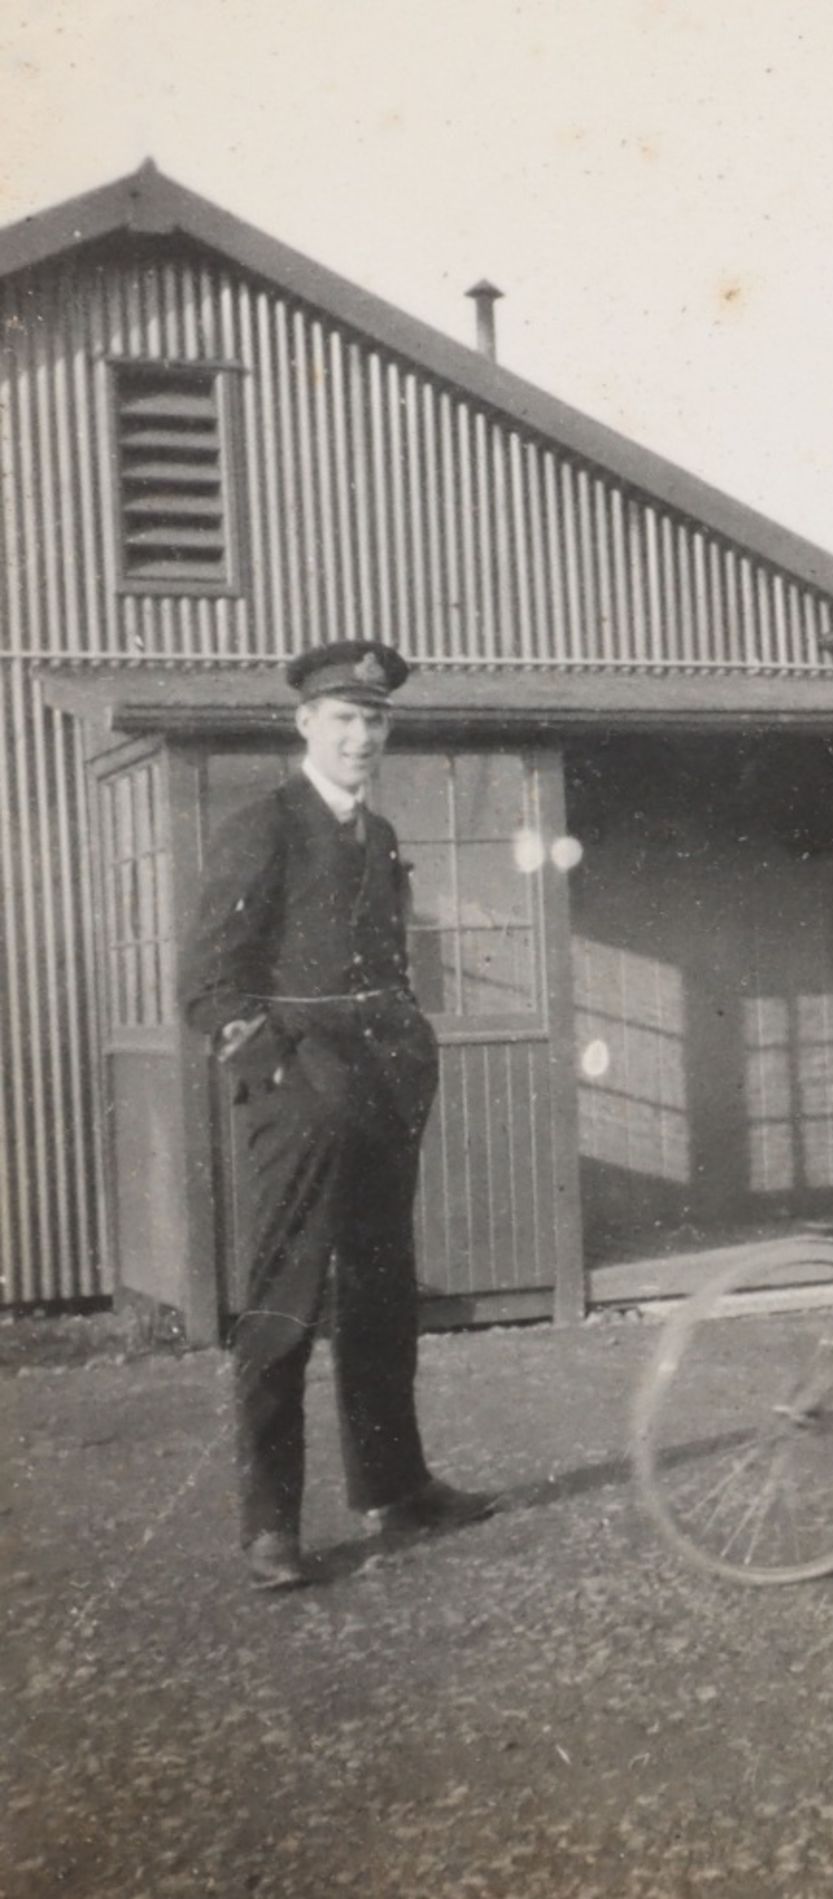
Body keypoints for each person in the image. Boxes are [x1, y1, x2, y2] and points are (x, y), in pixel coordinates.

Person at [181, 640, 495, 1590]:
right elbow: (208, 985)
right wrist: (281, 1077)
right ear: (305, 724)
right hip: (301, 1093)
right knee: (280, 1306)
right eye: (344, 719)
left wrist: (408, 1057)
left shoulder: (382, 834)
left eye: (376, 721)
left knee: (381, 1295)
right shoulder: (263, 825)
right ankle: (270, 1528)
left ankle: (393, 1488)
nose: (361, 737)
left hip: (382, 1089)